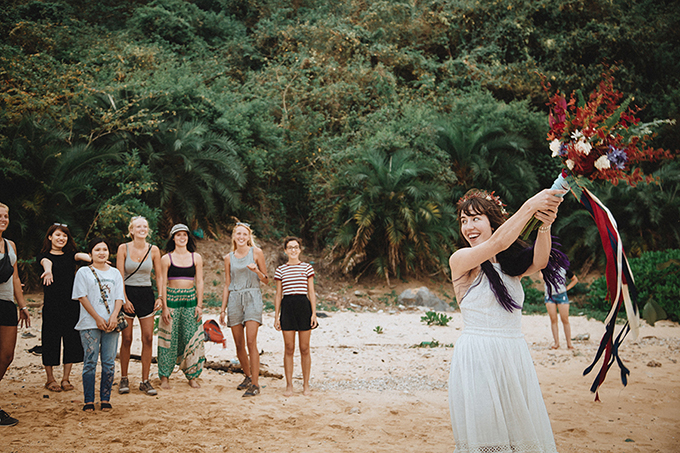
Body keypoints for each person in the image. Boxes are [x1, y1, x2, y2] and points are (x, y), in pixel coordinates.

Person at [448, 188, 566, 452]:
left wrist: (544, 224)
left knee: (517, 431)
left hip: (513, 354)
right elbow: (497, 243)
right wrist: (530, 205)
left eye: (476, 218)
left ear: (492, 222)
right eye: (464, 221)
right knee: (487, 432)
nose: (468, 227)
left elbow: (540, 260)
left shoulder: (510, 267)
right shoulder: (461, 260)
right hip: (478, 355)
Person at [72, 237, 125, 412]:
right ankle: (88, 400)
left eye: (104, 249)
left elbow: (119, 297)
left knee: (109, 362)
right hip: (89, 323)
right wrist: (97, 318)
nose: (102, 253)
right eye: (97, 249)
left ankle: (105, 399)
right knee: (90, 361)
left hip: (111, 323)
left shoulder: (115, 273)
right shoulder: (83, 272)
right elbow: (82, 297)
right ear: (90, 254)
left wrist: (114, 316)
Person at [37, 223, 90, 393]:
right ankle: (50, 379)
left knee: (71, 341)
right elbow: (46, 262)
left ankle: (66, 378)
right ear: (50, 237)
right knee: (50, 340)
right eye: (58, 235)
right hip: (52, 307)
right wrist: (48, 270)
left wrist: (95, 258)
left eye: (64, 235)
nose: (61, 238)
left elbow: (81, 256)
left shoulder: (71, 255)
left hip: (71, 305)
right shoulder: (44, 256)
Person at [219, 222, 268, 397]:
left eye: (244, 234)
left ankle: (255, 384)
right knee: (239, 343)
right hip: (234, 299)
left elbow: (266, 280)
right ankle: (247, 376)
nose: (241, 237)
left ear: (249, 237)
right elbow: (227, 284)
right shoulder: (228, 258)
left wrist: (256, 271)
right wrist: (222, 309)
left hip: (252, 297)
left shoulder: (256, 253)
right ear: (234, 236)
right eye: (238, 234)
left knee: (251, 342)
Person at [116, 216, 162, 396]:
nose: (142, 229)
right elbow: (119, 276)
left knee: (148, 338)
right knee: (127, 338)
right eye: (138, 226)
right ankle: (124, 378)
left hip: (146, 294)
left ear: (148, 230)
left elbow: (159, 276)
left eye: (145, 226)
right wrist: (124, 299)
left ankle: (145, 380)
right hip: (128, 293)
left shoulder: (154, 250)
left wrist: (161, 297)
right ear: (131, 230)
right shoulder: (123, 248)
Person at [157, 224, 205, 389]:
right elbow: (162, 283)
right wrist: (164, 307)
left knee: (190, 337)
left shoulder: (196, 257)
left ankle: (192, 376)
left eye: (184, 235)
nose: (182, 238)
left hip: (190, 300)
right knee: (168, 338)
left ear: (188, 237)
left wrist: (199, 305)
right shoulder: (166, 258)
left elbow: (199, 282)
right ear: (173, 238)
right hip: (171, 300)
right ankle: (164, 376)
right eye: (178, 235)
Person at [273, 237, 318, 397]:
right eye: (290, 247)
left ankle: (306, 385)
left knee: (305, 348)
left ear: (300, 249)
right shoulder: (281, 270)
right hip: (287, 307)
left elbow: (311, 292)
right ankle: (289, 385)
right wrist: (276, 316)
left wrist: (314, 313)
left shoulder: (307, 268)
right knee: (289, 348)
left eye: (296, 247)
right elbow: (278, 294)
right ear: (285, 250)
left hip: (303, 306)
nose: (293, 250)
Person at [0, 203, 31, 426]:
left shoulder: (10, 245)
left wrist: (23, 306)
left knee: (6, 356)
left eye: (6, 216)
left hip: (7, 304)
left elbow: (16, 278)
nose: (3, 219)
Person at [545, 266, 578, 350]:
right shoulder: (545, 267)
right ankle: (556, 343)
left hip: (561, 295)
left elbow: (575, 279)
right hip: (549, 295)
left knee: (565, 319)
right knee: (553, 320)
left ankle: (569, 343)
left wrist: (566, 288)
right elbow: (541, 276)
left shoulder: (564, 268)